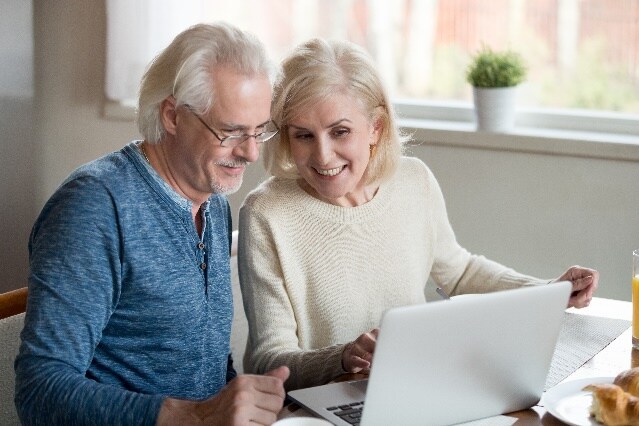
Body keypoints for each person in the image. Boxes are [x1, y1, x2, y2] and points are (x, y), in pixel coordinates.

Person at [237, 38, 599, 391]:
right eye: (303, 136)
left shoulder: (414, 180)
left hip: (421, 387)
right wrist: (343, 358)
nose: (323, 156)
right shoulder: (267, 213)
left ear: (375, 128)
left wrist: (549, 291)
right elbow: (271, 359)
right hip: (322, 408)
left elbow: (460, 272)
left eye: (340, 131)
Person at [15, 22, 289, 425]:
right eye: (231, 132)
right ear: (173, 115)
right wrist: (192, 416)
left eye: (258, 131)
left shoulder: (211, 200)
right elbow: (39, 390)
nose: (249, 153)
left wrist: (246, 406)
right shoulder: (95, 207)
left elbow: (203, 367)